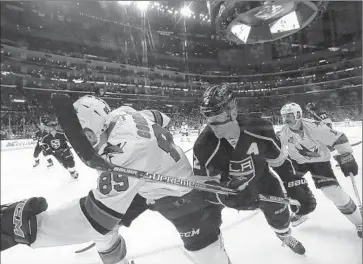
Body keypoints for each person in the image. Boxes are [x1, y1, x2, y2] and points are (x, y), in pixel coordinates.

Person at [1, 95, 256, 264]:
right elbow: (161, 117)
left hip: (178, 196)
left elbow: (95, 217)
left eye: (88, 136)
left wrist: (30, 228)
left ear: (98, 125)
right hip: (145, 183)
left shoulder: (124, 150)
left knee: (205, 253)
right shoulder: (124, 112)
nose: (85, 144)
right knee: (107, 230)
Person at [193, 84, 316, 254]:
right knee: (205, 220)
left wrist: (293, 183)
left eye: (217, 117)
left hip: (263, 182)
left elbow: (279, 160)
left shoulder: (260, 128)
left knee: (280, 216)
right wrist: (223, 193)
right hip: (231, 191)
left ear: (233, 111)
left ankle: (284, 234)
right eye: (208, 118)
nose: (213, 124)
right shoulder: (203, 145)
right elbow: (202, 185)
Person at [279, 102, 362, 237]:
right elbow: (274, 148)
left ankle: (360, 222)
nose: (286, 119)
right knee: (289, 185)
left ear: (298, 114)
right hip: (298, 162)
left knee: (332, 192)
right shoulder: (283, 133)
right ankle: (300, 211)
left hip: (320, 162)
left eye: (289, 115)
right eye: (283, 116)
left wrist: (346, 157)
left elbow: (339, 137)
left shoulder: (315, 127)